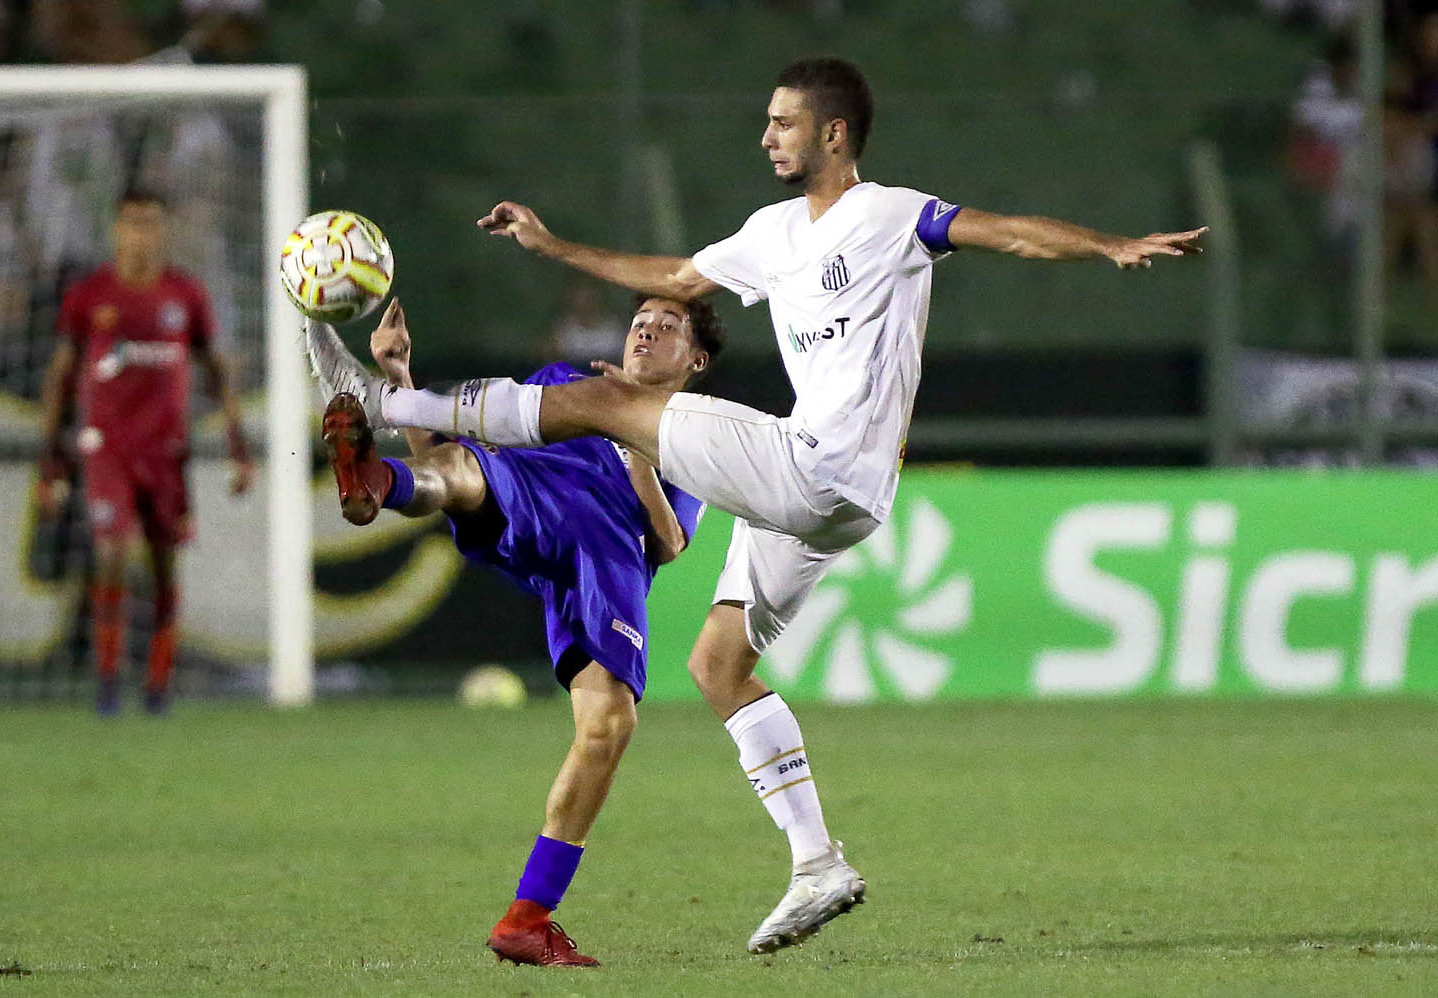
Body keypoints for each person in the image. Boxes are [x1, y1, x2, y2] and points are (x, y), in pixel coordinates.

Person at [311, 56, 1206, 954]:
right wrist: (556, 247)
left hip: (821, 470)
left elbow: (1007, 231)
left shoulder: (890, 215)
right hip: (829, 496)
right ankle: (818, 863)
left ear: (832, 134)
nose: (766, 135)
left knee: (611, 402)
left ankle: (385, 404)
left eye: (782, 122)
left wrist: (1106, 245)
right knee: (716, 663)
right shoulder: (773, 233)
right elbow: (674, 271)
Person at [308, 293, 722, 967]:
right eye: (640, 321)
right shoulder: (564, 383)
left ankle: (526, 920)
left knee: (608, 725)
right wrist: (406, 382)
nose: (645, 330)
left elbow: (670, 541)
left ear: (695, 360)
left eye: (667, 326)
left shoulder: (693, 433)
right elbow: (455, 450)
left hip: (602, 554)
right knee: (463, 467)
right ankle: (372, 482)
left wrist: (633, 438)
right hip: (529, 495)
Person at [37, 186, 254, 715]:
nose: (143, 232)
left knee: (162, 567)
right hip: (107, 450)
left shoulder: (185, 294)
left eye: (152, 222)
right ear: (116, 229)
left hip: (167, 455)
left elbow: (216, 369)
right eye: (133, 222)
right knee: (110, 556)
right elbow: (60, 378)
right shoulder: (90, 296)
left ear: (165, 229)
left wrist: (237, 446)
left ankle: (157, 686)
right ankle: (109, 681)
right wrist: (50, 463)